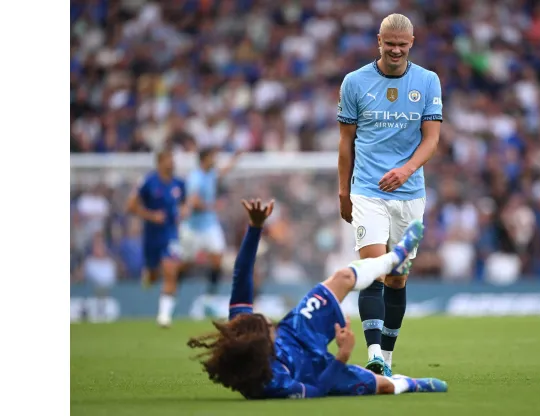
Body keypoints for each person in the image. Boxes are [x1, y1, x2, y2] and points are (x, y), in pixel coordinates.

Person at [188, 199, 448, 399]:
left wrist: (255, 228)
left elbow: (241, 274)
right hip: (313, 369)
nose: (271, 324)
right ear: (263, 348)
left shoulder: (241, 331)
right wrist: (341, 357)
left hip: (298, 330)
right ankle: (411, 384)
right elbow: (316, 390)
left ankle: (396, 256)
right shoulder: (275, 384)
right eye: (269, 329)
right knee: (378, 385)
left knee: (343, 277)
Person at [336, 13, 443, 376]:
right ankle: (375, 353)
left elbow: (431, 139)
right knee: (373, 271)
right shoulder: (354, 82)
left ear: (411, 43)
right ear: (378, 41)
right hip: (367, 190)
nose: (396, 50)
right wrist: (343, 191)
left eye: (402, 44)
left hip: (410, 193)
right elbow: (345, 143)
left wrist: (406, 170)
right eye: (389, 43)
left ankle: (389, 359)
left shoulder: (427, 81)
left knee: (397, 278)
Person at [179, 147, 244, 316]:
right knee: (187, 263)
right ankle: (174, 286)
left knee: (217, 258)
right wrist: (211, 206)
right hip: (193, 227)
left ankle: (210, 295)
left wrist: (235, 158)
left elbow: (223, 171)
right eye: (212, 157)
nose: (214, 160)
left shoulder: (210, 174)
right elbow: (193, 200)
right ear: (204, 159)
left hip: (209, 225)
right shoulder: (195, 178)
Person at [126, 150, 187, 327]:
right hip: (151, 236)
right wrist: (151, 216)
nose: (173, 163)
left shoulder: (179, 183)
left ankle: (164, 316)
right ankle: (149, 275)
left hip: (170, 234)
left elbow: (184, 203)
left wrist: (183, 211)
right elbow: (130, 206)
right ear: (160, 162)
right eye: (169, 159)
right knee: (153, 275)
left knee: (170, 270)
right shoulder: (148, 182)